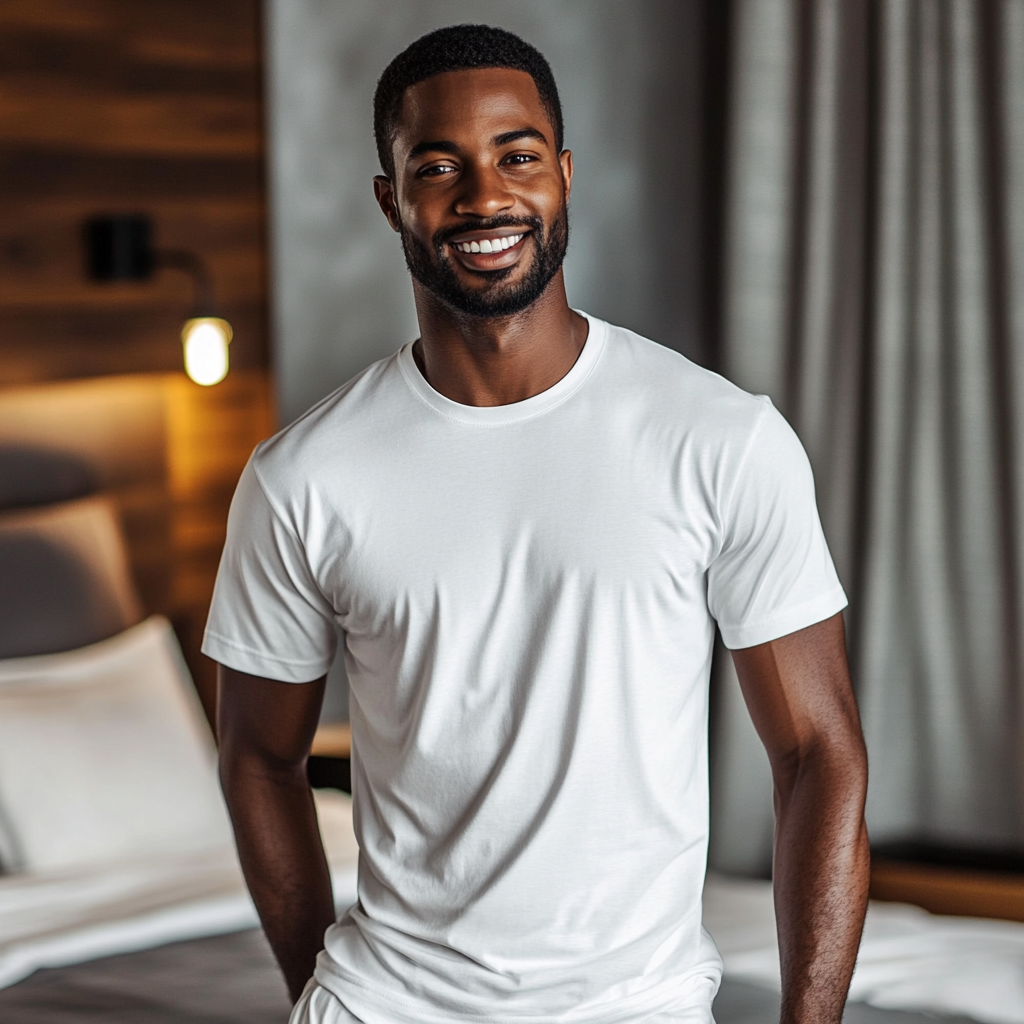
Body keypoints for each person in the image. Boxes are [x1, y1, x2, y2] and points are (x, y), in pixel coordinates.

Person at [205, 23, 869, 1024]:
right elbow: (258, 754)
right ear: (390, 198)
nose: (483, 196)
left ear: (562, 172)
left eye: (516, 155)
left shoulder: (720, 440)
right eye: (438, 166)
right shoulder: (302, 478)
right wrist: (321, 987)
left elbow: (819, 751)